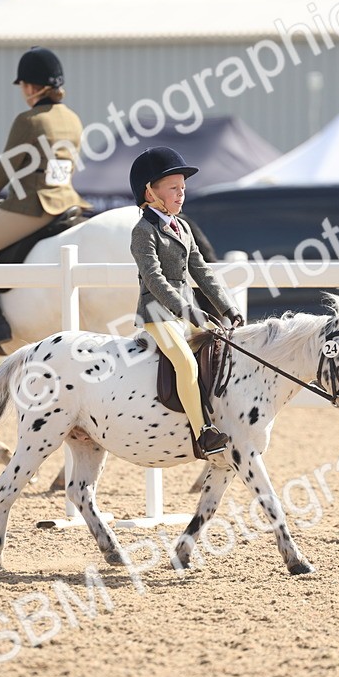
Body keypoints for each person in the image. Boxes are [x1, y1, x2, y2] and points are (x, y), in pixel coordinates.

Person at [128, 147, 244, 456]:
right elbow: (154, 279)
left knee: (223, 355)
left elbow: (202, 272)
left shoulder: (183, 227)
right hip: (157, 314)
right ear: (150, 192)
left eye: (183, 188)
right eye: (174, 188)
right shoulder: (143, 231)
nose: (181, 194)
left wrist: (227, 307)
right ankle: (203, 432)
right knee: (186, 363)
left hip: (184, 313)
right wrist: (186, 310)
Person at [0, 46, 90, 253]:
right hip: (68, 200)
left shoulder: (29, 120)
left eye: (22, 86)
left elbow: (3, 171)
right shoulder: (74, 119)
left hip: (32, 208)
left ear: (29, 87)